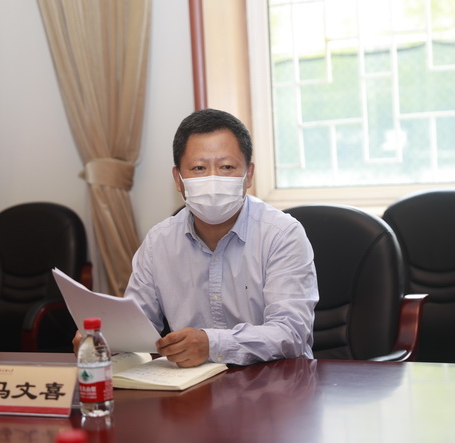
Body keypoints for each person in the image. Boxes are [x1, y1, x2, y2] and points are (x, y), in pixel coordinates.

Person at [74, 108, 318, 367]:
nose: (213, 179)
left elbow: (291, 333)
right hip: (191, 383)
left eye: (226, 167)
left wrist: (211, 344)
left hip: (275, 381)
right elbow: (136, 327)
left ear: (248, 175)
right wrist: (106, 340)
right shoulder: (159, 242)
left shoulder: (282, 234)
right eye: (199, 168)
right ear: (178, 179)